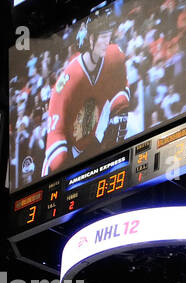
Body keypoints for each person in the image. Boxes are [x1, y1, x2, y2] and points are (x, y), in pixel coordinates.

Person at [43, 8, 131, 176]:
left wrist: (119, 109)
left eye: (108, 36)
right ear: (91, 40)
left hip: (93, 144)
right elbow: (56, 131)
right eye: (103, 37)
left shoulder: (114, 57)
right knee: (58, 161)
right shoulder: (70, 79)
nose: (107, 41)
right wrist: (61, 161)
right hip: (69, 148)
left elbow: (122, 86)